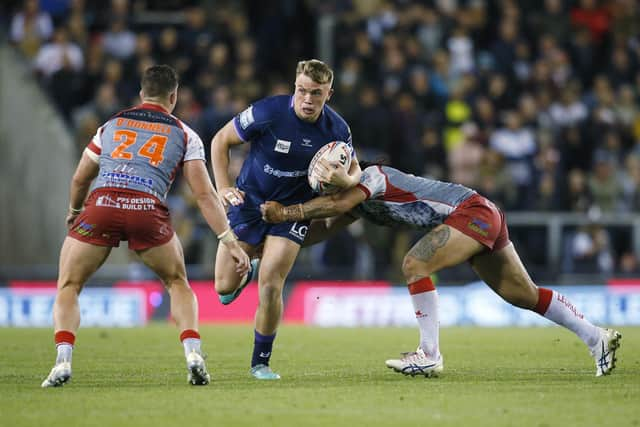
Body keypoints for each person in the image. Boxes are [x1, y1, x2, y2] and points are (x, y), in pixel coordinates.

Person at [260, 161, 622, 378]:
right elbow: (321, 229)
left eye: (333, 172)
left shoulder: (372, 176)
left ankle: (429, 355)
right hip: (480, 213)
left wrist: (289, 211)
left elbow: (338, 202)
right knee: (523, 294)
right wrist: (271, 244)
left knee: (414, 263)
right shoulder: (355, 203)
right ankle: (596, 338)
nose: (330, 178)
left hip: (472, 213)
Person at [41, 65, 251, 388]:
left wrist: (74, 210)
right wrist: (231, 242)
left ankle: (63, 361)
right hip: (146, 210)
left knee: (69, 284)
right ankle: (193, 354)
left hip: (102, 205)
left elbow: (80, 177)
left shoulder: (109, 126)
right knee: (177, 282)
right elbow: (205, 195)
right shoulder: (185, 134)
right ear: (174, 97)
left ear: (141, 94)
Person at [210, 59, 362, 380]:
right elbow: (220, 140)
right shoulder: (268, 112)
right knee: (223, 288)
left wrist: (344, 180)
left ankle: (260, 363)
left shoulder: (337, 130)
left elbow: (356, 171)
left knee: (272, 283)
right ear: (295, 87)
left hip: (291, 210)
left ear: (329, 94)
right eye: (302, 91)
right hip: (248, 201)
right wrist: (223, 187)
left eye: (316, 94)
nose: (307, 100)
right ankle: (248, 266)